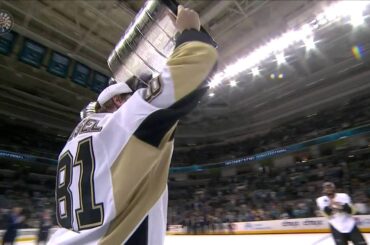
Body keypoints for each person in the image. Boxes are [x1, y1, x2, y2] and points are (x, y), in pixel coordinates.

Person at [47, 5, 217, 245]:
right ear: (118, 100)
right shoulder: (121, 124)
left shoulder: (72, 143)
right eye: (131, 95)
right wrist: (190, 35)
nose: (139, 96)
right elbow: (193, 70)